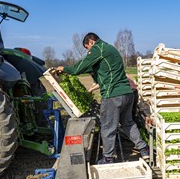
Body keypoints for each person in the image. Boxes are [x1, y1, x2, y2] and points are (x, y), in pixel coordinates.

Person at [57, 32, 149, 164]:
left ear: (91, 42)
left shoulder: (98, 48)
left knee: (107, 127)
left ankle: (108, 158)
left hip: (113, 95)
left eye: (87, 48)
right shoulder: (110, 49)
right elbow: (102, 72)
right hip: (128, 94)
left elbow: (79, 67)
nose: (88, 51)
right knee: (128, 123)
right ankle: (144, 149)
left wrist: (65, 69)